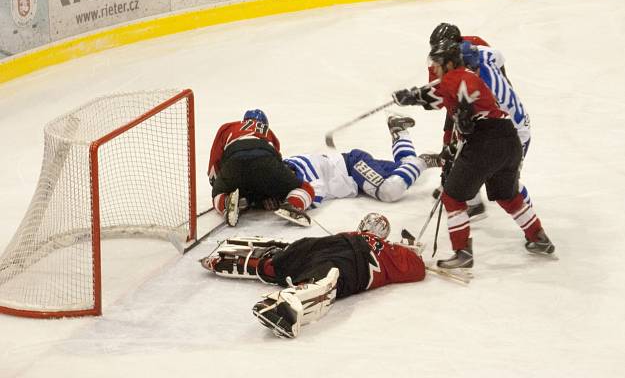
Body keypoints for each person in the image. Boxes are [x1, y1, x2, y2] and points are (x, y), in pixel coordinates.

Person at [392, 40, 555, 269]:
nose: (434, 68)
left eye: (437, 63)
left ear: (449, 63)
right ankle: (538, 237)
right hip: (509, 141)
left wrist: (415, 97)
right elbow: (438, 98)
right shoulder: (462, 77)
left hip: (486, 142)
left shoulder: (456, 77)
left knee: (453, 196)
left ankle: (463, 254)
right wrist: (412, 97)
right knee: (507, 195)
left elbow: (454, 96)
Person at [199, 212, 426, 338]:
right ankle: (286, 296)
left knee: (303, 257)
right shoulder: (390, 251)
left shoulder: (368, 240)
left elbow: (416, 267)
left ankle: (266, 268)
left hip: (336, 249)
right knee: (321, 269)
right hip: (351, 258)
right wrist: (410, 250)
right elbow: (417, 268)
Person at [209, 111, 439, 227]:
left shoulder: (295, 170)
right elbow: (272, 160)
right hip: (348, 175)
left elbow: (312, 191)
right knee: (404, 171)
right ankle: (401, 133)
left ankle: (424, 160)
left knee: (390, 190)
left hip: (350, 166)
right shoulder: (274, 157)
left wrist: (219, 186)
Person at [427, 23, 533, 223]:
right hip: (501, 119)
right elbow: (498, 59)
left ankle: (530, 221)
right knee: (468, 151)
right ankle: (472, 200)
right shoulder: (480, 51)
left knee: (507, 182)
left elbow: (464, 117)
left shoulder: (477, 87)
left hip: (512, 131)